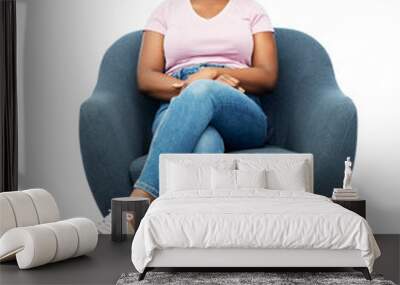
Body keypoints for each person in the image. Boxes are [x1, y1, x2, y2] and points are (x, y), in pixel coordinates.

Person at [131, 0, 278, 202]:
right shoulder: (165, 12)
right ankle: (196, 229)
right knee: (206, 143)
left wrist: (214, 73)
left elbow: (267, 76)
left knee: (202, 89)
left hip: (238, 104)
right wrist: (191, 87)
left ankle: (140, 197)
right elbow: (146, 77)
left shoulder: (252, 10)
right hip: (177, 103)